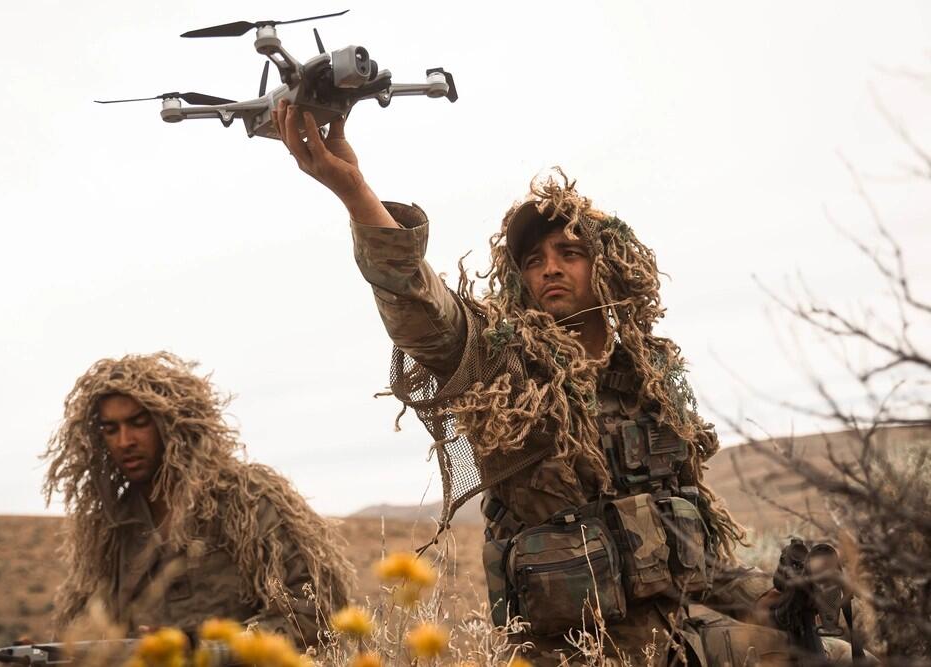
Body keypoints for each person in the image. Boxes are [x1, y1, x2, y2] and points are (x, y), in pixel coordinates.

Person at [269, 101, 861, 665]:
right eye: (533, 260)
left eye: (569, 252)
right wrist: (355, 191)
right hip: (573, 654)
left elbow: (700, 566)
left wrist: (780, 597)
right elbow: (424, 312)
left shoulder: (651, 388)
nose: (550, 267)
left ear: (608, 268)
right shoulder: (504, 374)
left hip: (681, 640)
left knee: (838, 655)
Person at [42, 352, 353, 648]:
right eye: (111, 429)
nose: (125, 441)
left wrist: (200, 647)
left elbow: (312, 615)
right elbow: (96, 632)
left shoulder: (246, 500)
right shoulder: (112, 527)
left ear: (172, 422)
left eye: (139, 423)